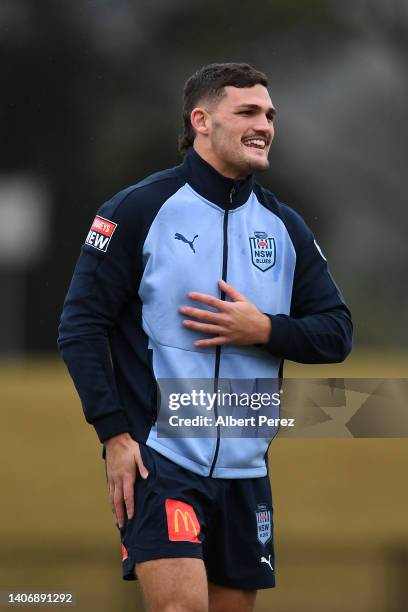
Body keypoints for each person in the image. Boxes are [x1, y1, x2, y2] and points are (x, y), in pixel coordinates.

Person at [58, 62, 352, 612]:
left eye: (269, 114)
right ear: (201, 121)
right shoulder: (138, 210)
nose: (264, 123)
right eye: (247, 111)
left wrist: (263, 329)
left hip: (247, 471)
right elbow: (80, 325)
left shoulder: (285, 226)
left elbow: (337, 333)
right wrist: (114, 435)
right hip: (163, 460)